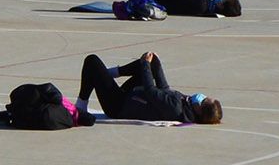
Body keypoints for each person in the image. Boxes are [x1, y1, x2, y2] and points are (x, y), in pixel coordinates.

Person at [76, 51, 222, 124]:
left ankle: (81, 106)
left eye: (203, 100)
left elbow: (151, 91)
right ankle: (108, 74)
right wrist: (155, 65)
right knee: (153, 61)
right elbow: (164, 90)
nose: (200, 97)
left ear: (199, 110)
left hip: (118, 106)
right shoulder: (186, 105)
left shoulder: (177, 108)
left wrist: (145, 64)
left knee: (92, 61)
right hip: (132, 97)